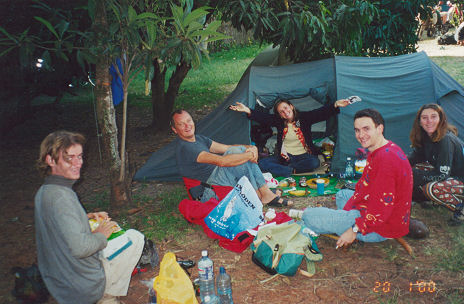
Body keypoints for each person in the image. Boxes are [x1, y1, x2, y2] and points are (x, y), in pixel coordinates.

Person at [34, 131, 144, 304]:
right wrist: (101, 235)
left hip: (59, 280)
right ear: (50, 160)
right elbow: (81, 249)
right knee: (135, 238)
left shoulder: (46, 191)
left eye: (80, 156)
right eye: (70, 158)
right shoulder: (62, 197)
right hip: (82, 284)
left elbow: (59, 224)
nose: (78, 163)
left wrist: (86, 217)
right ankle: (106, 297)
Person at [302, 109, 412, 249]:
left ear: (380, 128)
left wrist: (354, 228)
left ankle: (346, 222)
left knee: (309, 215)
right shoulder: (385, 148)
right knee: (342, 194)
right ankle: (343, 219)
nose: (361, 135)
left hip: (380, 227)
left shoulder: (386, 159)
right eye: (357, 130)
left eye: (366, 129)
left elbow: (382, 207)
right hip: (378, 209)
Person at [172, 109, 292, 207]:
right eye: (181, 124)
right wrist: (249, 154)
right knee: (238, 156)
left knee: (238, 151)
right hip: (208, 188)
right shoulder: (185, 147)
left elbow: (226, 148)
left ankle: (264, 194)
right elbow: (222, 161)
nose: (187, 126)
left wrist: (249, 148)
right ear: (175, 129)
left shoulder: (199, 139)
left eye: (188, 121)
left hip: (217, 176)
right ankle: (261, 195)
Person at [229, 98, 352, 177]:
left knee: (314, 162)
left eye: (286, 108)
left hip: (304, 156)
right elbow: (262, 117)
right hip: (285, 157)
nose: (285, 112)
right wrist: (247, 110)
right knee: (261, 163)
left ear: (291, 106)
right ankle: (290, 170)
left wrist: (336, 104)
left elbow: (320, 113)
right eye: (281, 111)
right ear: (279, 115)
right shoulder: (278, 121)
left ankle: (284, 170)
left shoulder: (304, 118)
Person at [409, 104, 464, 225]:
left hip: (460, 179)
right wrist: (396, 166)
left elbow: (442, 174)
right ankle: (429, 200)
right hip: (450, 175)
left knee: (432, 189)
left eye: (433, 117)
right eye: (424, 118)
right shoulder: (426, 136)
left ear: (441, 119)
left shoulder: (445, 139)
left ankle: (461, 210)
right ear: (419, 121)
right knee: (410, 168)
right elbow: (415, 157)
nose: (429, 121)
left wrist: (415, 176)